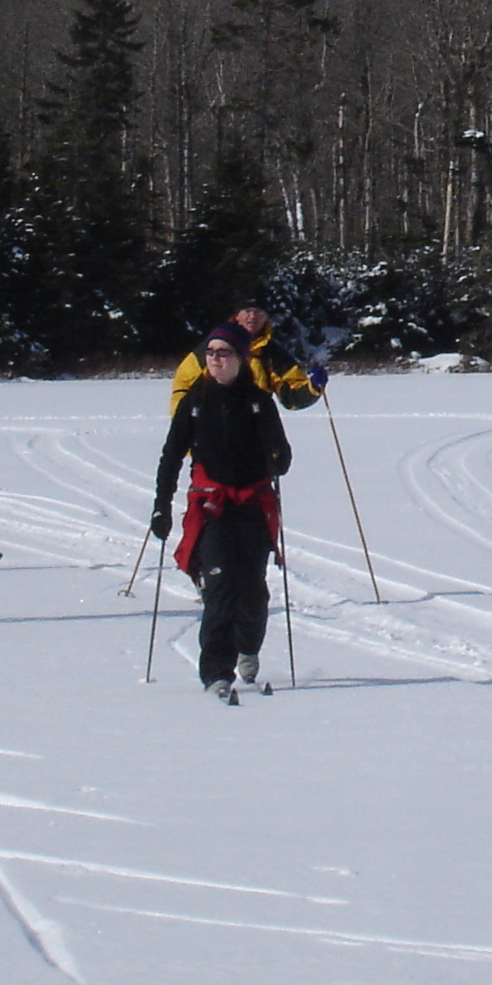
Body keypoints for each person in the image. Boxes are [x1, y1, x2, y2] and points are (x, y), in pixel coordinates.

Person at [152, 324, 291, 700]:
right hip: (212, 507)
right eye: (210, 352)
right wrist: (160, 507)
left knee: (251, 593)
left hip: (253, 506)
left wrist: (277, 457)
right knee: (220, 589)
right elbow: (171, 456)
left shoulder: (260, 401)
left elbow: (283, 456)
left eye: (223, 352)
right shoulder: (194, 402)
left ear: (240, 358)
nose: (214, 358)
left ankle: (249, 648)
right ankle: (216, 672)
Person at [165, 300, 326, 415]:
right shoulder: (213, 346)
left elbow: (291, 397)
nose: (252, 316)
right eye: (247, 311)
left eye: (258, 311)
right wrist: (187, 436)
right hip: (214, 434)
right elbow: (183, 386)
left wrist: (313, 387)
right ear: (237, 315)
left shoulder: (272, 353)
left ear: (266, 317)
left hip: (256, 435)